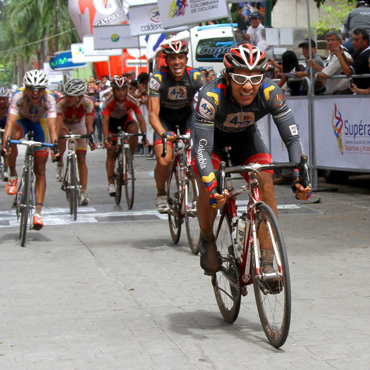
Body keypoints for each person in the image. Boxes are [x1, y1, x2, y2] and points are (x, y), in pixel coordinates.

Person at [191, 44, 311, 273]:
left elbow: (293, 140)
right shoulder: (211, 96)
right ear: (227, 77)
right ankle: (207, 239)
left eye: (256, 78)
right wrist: (212, 185)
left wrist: (299, 176)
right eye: (240, 78)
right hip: (211, 143)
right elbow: (202, 150)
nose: (248, 86)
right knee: (209, 190)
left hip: (246, 139)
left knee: (265, 180)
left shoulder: (271, 92)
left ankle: (266, 257)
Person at [148, 40, 206, 213]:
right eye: (172, 58)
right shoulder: (157, 79)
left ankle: (197, 195)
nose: (177, 62)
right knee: (164, 161)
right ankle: (161, 193)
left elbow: (208, 103)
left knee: (198, 156)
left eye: (181, 57)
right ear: (166, 61)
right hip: (164, 119)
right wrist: (163, 133)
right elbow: (152, 114)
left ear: (186, 59)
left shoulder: (195, 77)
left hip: (187, 116)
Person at [1, 70, 59, 230]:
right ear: (25, 88)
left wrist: (55, 147)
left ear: (44, 90)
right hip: (22, 121)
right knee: (13, 136)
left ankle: (38, 213)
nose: (35, 93)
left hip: (40, 125)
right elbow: (9, 123)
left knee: (40, 169)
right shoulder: (18, 97)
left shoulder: (50, 98)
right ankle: (12, 173)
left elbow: (53, 127)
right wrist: (5, 144)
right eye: (31, 88)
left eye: (39, 89)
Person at [101, 75, 147, 196]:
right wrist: (106, 139)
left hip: (125, 120)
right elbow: (104, 121)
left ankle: (130, 158)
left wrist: (144, 135)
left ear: (127, 89)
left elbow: (140, 119)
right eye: (117, 90)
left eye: (123, 90)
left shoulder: (131, 100)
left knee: (134, 128)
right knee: (111, 151)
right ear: (113, 90)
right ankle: (110, 182)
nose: (121, 93)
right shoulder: (108, 102)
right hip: (111, 123)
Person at [55, 79, 96, 206]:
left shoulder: (88, 102)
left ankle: (83, 191)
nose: (66, 98)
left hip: (79, 124)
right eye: (66, 94)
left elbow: (89, 124)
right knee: (62, 135)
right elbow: (59, 124)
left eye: (69, 96)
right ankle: (60, 161)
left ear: (78, 97)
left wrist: (90, 138)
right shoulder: (61, 103)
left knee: (81, 158)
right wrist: (58, 140)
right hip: (65, 124)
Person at [315, 30, 353, 95]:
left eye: (333, 40)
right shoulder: (332, 55)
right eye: (328, 40)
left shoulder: (339, 55)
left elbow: (325, 74)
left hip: (341, 93)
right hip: (335, 93)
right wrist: (316, 67)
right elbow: (329, 71)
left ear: (340, 42)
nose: (330, 43)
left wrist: (315, 75)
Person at [0, 86, 10, 181]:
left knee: (6, 145)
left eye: (4, 98)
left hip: (5, 123)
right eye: (0, 98)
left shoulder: (10, 105)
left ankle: (6, 169)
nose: (1, 101)